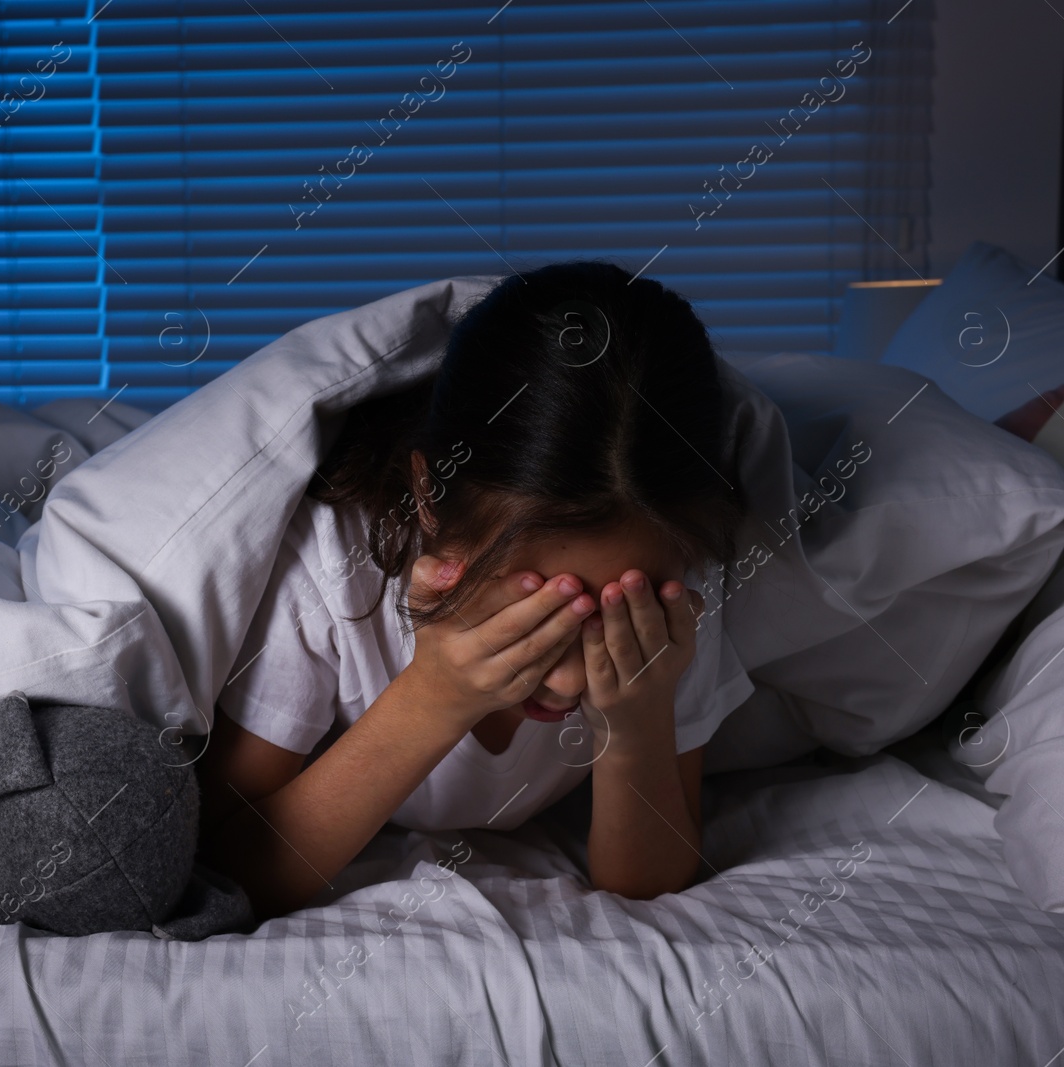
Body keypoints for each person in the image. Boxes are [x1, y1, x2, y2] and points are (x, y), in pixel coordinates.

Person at [195, 260, 756, 921]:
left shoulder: (668, 582)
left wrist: (636, 726)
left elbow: (644, 882)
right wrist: (434, 697)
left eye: (606, 616)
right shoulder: (328, 566)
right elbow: (228, 869)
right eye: (539, 605)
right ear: (430, 499)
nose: (574, 679)